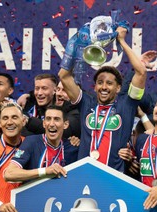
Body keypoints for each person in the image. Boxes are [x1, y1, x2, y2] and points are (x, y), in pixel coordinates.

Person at [58, 26, 147, 172]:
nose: (104, 87)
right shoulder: (86, 103)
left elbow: (141, 72)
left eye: (109, 83)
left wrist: (121, 41)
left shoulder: (127, 105)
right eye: (100, 82)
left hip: (113, 177)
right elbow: (64, 76)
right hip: (85, 174)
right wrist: (76, 44)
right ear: (94, 87)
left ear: (118, 88)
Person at [4, 105, 78, 183]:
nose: (52, 124)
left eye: (56, 119)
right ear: (44, 123)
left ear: (65, 124)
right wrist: (44, 171)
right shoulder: (31, 142)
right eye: (48, 119)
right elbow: (9, 174)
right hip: (34, 194)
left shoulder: (72, 147)